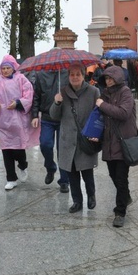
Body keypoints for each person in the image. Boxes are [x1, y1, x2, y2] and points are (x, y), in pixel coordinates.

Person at [49, 64, 100, 213]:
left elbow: (99, 115)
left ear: (83, 75)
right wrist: (57, 102)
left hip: (85, 139)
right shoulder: (62, 92)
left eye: (78, 74)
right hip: (68, 140)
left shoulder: (93, 91)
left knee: (87, 172)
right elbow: (54, 115)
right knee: (72, 174)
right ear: (68, 76)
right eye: (72, 75)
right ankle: (77, 201)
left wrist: (96, 134)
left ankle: (91, 196)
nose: (75, 77)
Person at [0, 55, 37, 190]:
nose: (6, 70)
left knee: (19, 148)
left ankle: (23, 165)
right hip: (2, 121)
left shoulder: (21, 80)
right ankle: (11, 178)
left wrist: (18, 103)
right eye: (3, 68)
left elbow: (29, 95)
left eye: (8, 68)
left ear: (13, 68)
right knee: (6, 150)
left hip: (18, 120)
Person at [92, 66, 137, 228]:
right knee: (113, 174)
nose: (108, 81)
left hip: (124, 141)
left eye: (111, 78)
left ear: (118, 78)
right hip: (109, 142)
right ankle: (126, 196)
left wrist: (102, 105)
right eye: (106, 79)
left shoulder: (125, 92)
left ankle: (120, 212)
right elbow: (99, 118)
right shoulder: (104, 94)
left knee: (121, 176)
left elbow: (123, 113)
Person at [31, 68, 71, 193]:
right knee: (45, 145)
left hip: (63, 118)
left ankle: (64, 181)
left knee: (63, 150)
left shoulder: (67, 73)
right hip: (47, 117)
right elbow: (36, 96)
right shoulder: (40, 75)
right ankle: (50, 167)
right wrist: (34, 115)